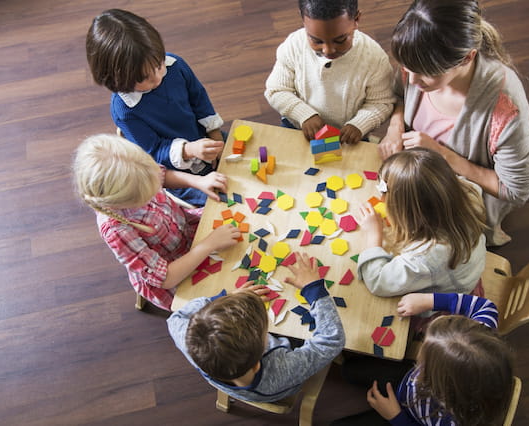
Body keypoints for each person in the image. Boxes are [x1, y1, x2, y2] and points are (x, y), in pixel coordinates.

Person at [378, 0, 529, 246]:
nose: (411, 80)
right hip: (419, 177)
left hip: (459, 202)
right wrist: (395, 127)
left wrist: (444, 156)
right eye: (406, 69)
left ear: (467, 58)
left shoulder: (503, 109)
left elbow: (516, 190)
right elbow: (399, 95)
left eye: (425, 74)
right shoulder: (415, 63)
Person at [73, 133, 237, 311]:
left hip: (189, 227)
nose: (155, 190)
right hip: (176, 273)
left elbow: (163, 176)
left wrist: (199, 181)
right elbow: (166, 278)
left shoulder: (137, 169)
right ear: (121, 202)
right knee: (228, 303)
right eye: (147, 196)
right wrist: (209, 244)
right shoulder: (116, 230)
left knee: (240, 218)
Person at [86, 9, 225, 206]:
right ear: (116, 80)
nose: (158, 78)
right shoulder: (125, 111)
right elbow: (154, 152)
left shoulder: (175, 65)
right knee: (223, 202)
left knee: (252, 160)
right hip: (178, 172)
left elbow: (199, 99)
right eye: (144, 78)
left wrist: (215, 134)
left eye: (159, 65)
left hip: (204, 138)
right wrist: (190, 150)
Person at [167, 252, 345, 402]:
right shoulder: (283, 368)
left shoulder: (192, 343)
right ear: (256, 364)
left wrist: (223, 301)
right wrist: (313, 289)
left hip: (236, 386)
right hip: (281, 389)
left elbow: (175, 318)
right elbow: (332, 339)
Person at [332, 292, 514, 426]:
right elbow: (485, 306)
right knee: (350, 369)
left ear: (441, 385)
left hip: (408, 417)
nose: (418, 355)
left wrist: (395, 416)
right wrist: (429, 300)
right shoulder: (479, 333)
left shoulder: (449, 421)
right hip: (406, 385)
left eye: (424, 358)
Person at [357, 148, 486, 300]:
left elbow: (379, 281)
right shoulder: (467, 192)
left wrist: (374, 235)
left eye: (385, 193)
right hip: (464, 273)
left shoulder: (428, 255)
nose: (381, 198)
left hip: (445, 301)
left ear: (413, 213)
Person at [264, 0, 395, 145]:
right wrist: (303, 115)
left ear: (356, 20)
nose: (328, 50)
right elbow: (276, 91)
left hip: (348, 134)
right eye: (316, 41)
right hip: (299, 125)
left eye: (340, 40)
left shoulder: (375, 59)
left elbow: (382, 103)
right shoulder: (294, 45)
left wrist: (359, 124)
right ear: (302, 19)